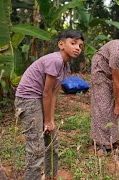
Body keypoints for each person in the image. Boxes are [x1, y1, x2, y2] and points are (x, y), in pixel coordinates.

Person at [15, 30, 84, 180]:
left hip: (40, 98)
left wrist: (50, 121)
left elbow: (53, 94)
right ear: (61, 44)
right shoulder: (56, 60)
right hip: (28, 99)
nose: (78, 47)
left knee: (52, 140)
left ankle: (51, 176)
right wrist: (46, 121)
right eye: (73, 43)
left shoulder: (65, 66)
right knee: (36, 147)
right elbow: (46, 92)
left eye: (80, 45)